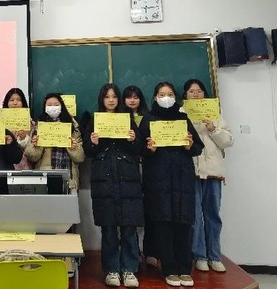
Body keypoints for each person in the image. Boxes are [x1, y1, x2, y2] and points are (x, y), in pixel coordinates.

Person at [138, 82, 204, 287]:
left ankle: (185, 269)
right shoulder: (148, 118)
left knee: (184, 225)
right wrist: (149, 149)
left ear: (176, 97)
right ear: (155, 97)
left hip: (182, 179)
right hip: (158, 181)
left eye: (169, 94)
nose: (165, 98)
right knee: (163, 225)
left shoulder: (183, 118)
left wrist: (190, 145)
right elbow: (138, 148)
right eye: (161, 94)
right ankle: (169, 269)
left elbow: (198, 147)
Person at [84, 84, 144, 287]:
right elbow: (88, 151)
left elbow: (139, 148)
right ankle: (111, 269)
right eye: (107, 97)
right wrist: (93, 142)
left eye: (114, 97)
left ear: (119, 99)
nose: (111, 100)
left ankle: (129, 269)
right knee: (109, 227)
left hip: (127, 179)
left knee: (129, 227)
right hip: (104, 180)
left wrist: (133, 139)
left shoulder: (127, 119)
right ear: (102, 99)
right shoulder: (95, 120)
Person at [182, 79, 233, 273]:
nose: (195, 94)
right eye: (191, 91)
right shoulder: (181, 114)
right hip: (192, 172)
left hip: (213, 172)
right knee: (195, 216)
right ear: (185, 95)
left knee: (213, 215)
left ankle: (214, 255)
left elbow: (228, 141)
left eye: (199, 91)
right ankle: (200, 256)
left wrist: (213, 128)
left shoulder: (215, 113)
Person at [122, 85, 156, 267]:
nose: (132, 100)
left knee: (151, 211)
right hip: (128, 169)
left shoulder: (149, 117)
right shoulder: (118, 118)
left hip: (150, 167)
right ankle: (133, 252)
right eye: (129, 97)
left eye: (136, 97)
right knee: (131, 214)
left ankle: (150, 251)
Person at [25, 93, 85, 190]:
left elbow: (80, 158)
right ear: (45, 107)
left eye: (56, 104)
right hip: (44, 178)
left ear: (62, 107)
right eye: (49, 105)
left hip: (69, 179)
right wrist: (35, 146)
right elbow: (31, 157)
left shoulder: (73, 128)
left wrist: (73, 148)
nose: (53, 107)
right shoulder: (39, 127)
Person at [1, 88, 34, 170]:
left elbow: (33, 148)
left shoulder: (30, 123)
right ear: (7, 102)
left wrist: (24, 138)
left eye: (18, 100)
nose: (15, 103)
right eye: (11, 100)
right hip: (5, 164)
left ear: (23, 102)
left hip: (25, 165)